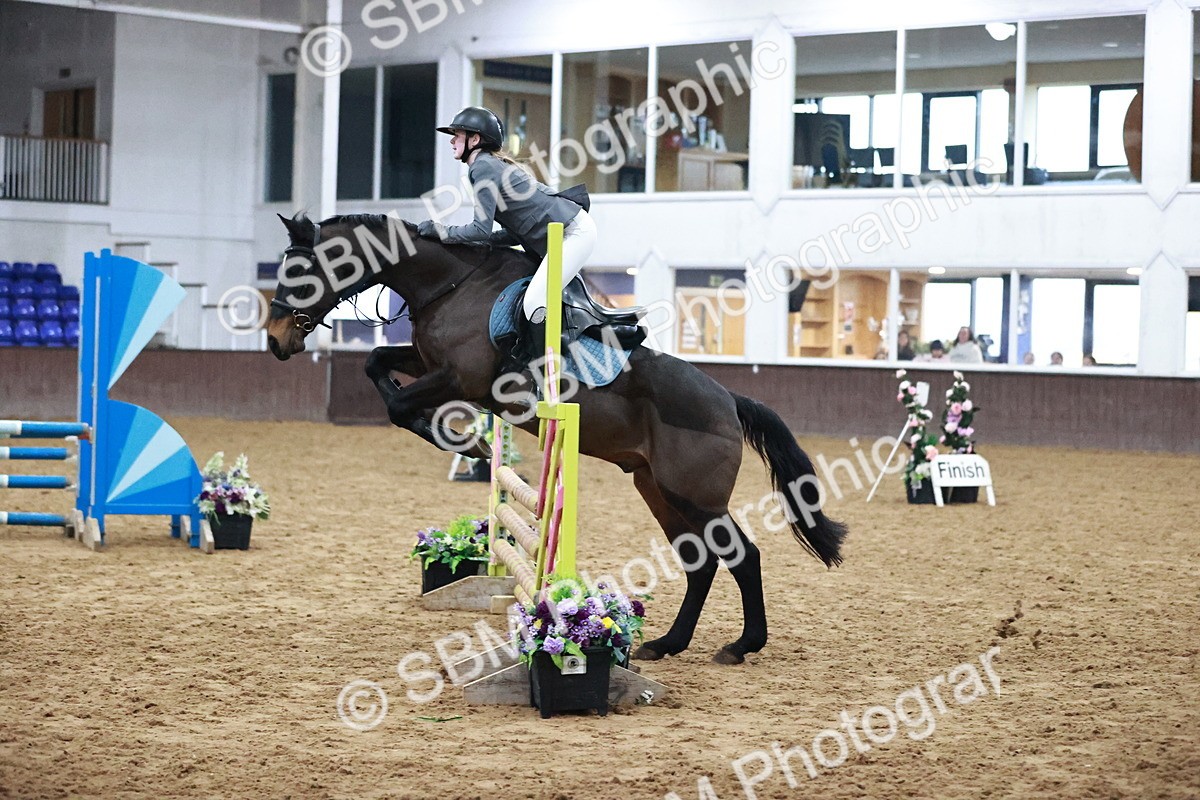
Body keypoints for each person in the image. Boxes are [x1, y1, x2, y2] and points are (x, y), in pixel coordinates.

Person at [416, 106, 596, 371]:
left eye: (457, 135)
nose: (452, 140)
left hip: (573, 233)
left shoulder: (482, 168)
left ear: (474, 140)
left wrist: (441, 232)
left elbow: (480, 230)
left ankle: (540, 375)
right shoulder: (487, 165)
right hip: (563, 232)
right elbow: (506, 234)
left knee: (535, 302)